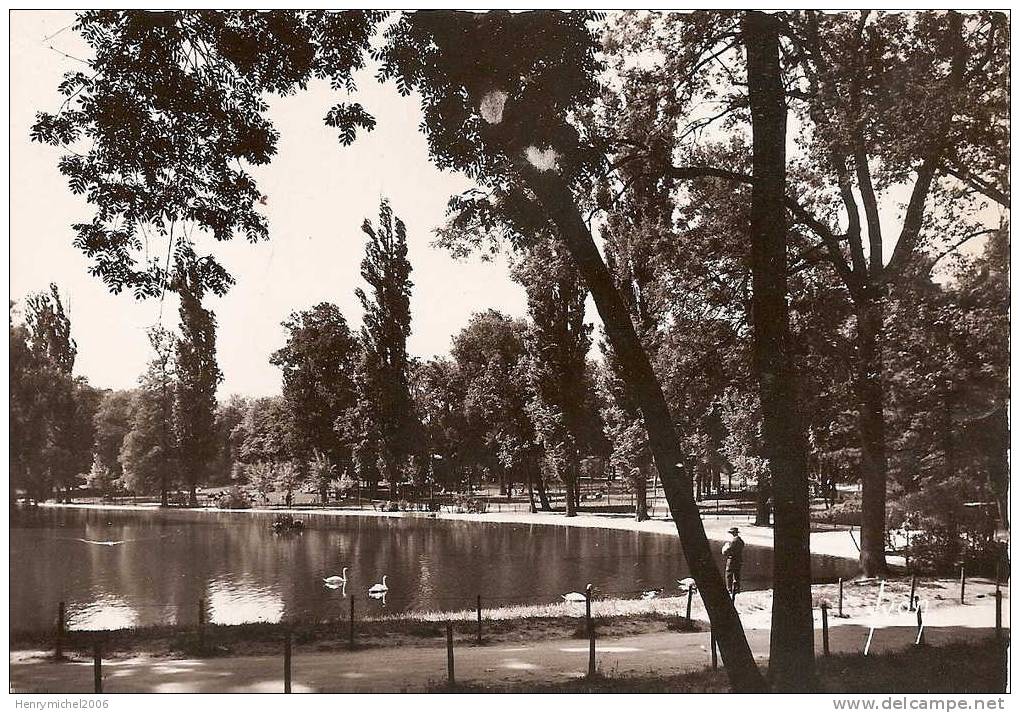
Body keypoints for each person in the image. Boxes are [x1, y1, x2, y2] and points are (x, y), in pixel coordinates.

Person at [721, 526, 744, 599]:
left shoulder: (733, 542)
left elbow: (725, 552)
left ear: (733, 534)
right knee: (737, 574)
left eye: (731, 533)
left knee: (729, 574)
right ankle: (737, 589)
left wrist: (725, 547)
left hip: (732, 559)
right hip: (739, 559)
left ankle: (729, 590)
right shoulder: (741, 541)